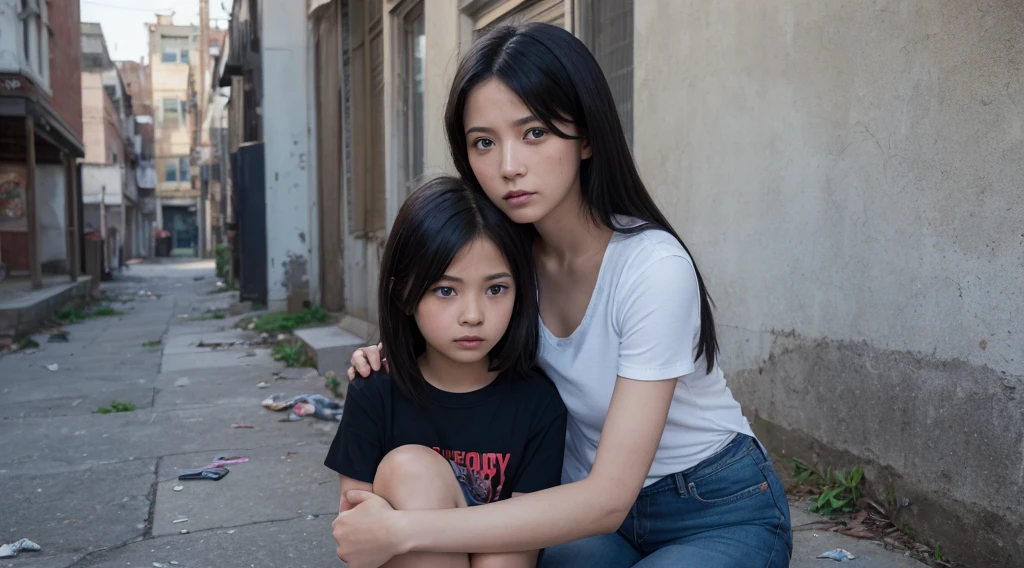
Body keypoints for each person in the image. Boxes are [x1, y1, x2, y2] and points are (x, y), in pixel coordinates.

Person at [335, 23, 792, 568]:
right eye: (484, 142)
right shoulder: (502, 263)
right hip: (575, 513)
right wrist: (397, 349)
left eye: (534, 133)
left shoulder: (651, 268)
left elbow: (607, 498)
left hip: (712, 505)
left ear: (588, 136)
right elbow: (436, 300)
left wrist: (404, 531)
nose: (508, 166)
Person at [324, 175, 567, 568]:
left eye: (495, 289)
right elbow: (358, 534)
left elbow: (524, 539)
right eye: (446, 290)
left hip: (499, 556)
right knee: (410, 468)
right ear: (404, 292)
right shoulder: (376, 391)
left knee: (511, 528)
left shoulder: (539, 404)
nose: (473, 316)